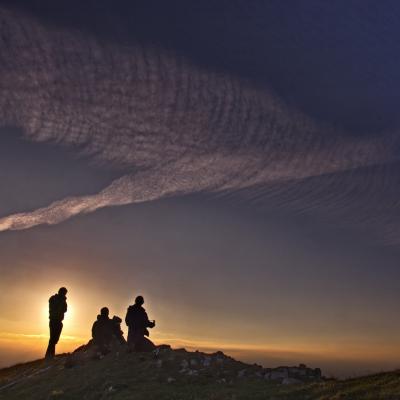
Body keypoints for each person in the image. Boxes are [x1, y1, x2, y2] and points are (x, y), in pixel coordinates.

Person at [45, 287, 68, 359]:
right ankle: (49, 356)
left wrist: (63, 300)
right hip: (54, 320)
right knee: (53, 339)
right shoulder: (54, 299)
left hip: (58, 321)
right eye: (64, 293)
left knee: (54, 339)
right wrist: (62, 301)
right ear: (61, 292)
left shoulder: (62, 300)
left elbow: (65, 310)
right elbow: (60, 308)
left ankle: (50, 355)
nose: (64, 294)